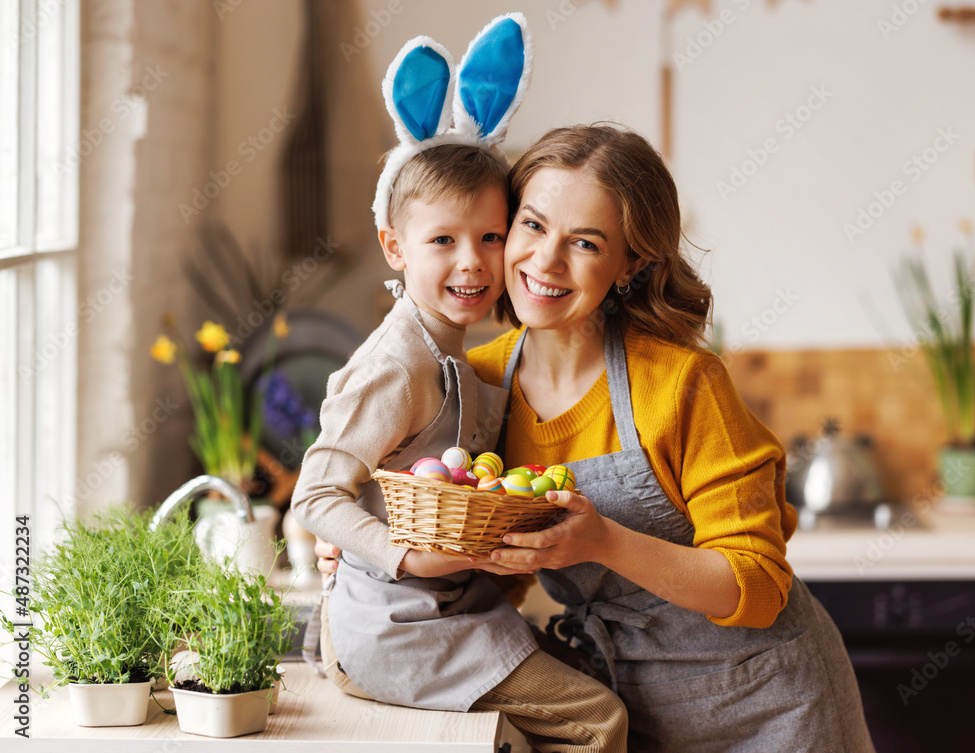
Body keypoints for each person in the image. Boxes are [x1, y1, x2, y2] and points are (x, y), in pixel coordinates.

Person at [320, 123, 875, 751]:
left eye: (585, 242)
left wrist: (602, 541)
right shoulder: (478, 384)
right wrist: (372, 553)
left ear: (630, 263)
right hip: (624, 707)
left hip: (768, 708)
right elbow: (481, 544)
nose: (547, 261)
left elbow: (758, 588)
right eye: (532, 226)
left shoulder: (683, 385)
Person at [291, 18, 628, 753]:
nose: (471, 262)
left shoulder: (464, 356)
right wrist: (401, 553)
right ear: (395, 246)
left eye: (491, 235)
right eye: (442, 240)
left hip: (448, 613)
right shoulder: (399, 362)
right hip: (396, 630)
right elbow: (315, 493)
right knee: (600, 719)